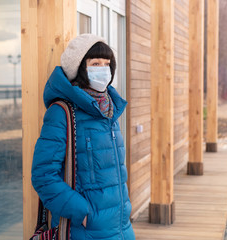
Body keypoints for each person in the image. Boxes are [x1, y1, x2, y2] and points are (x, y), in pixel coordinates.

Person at [31, 34, 135, 240]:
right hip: (84, 230)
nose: (103, 69)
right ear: (79, 67)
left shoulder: (109, 111)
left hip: (121, 226)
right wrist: (82, 212)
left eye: (107, 64)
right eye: (96, 63)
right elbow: (43, 175)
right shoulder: (62, 113)